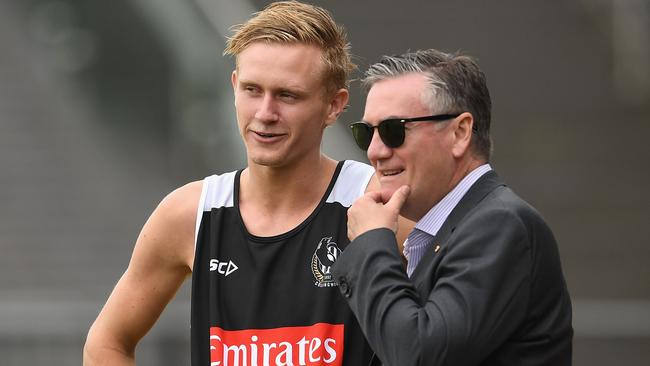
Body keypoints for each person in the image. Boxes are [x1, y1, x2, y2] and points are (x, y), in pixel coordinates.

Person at [83, 2, 412, 365]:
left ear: (334, 105)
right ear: (235, 87)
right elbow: (106, 342)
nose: (265, 114)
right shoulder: (189, 214)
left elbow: (448, 339)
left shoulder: (382, 205)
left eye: (287, 95)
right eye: (253, 90)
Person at [332, 49, 573, 365]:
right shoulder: (450, 230)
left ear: (460, 133)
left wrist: (371, 243)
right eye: (366, 133)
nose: (375, 151)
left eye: (393, 130)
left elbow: (419, 354)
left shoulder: (498, 225)